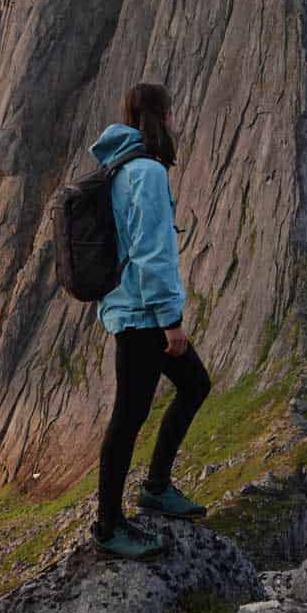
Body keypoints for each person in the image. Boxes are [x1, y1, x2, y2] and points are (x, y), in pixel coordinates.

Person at [87, 81, 212, 558]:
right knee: (128, 417)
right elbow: (152, 252)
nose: (177, 121)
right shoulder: (148, 173)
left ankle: (156, 487)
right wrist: (171, 320)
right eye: (173, 113)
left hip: (128, 307)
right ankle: (109, 525)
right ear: (162, 117)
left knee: (194, 386)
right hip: (144, 315)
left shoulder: (116, 169)